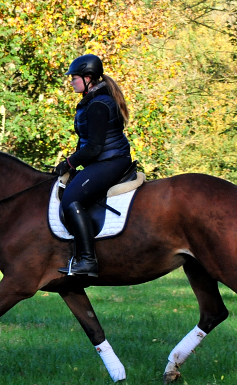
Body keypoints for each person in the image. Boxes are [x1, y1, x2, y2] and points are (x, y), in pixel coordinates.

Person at [55, 54, 133, 278]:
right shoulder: (93, 100)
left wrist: (69, 163)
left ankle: (88, 261)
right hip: (104, 160)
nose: (71, 81)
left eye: (74, 77)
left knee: (71, 199)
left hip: (110, 161)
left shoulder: (98, 104)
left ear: (88, 78)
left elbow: (95, 147)